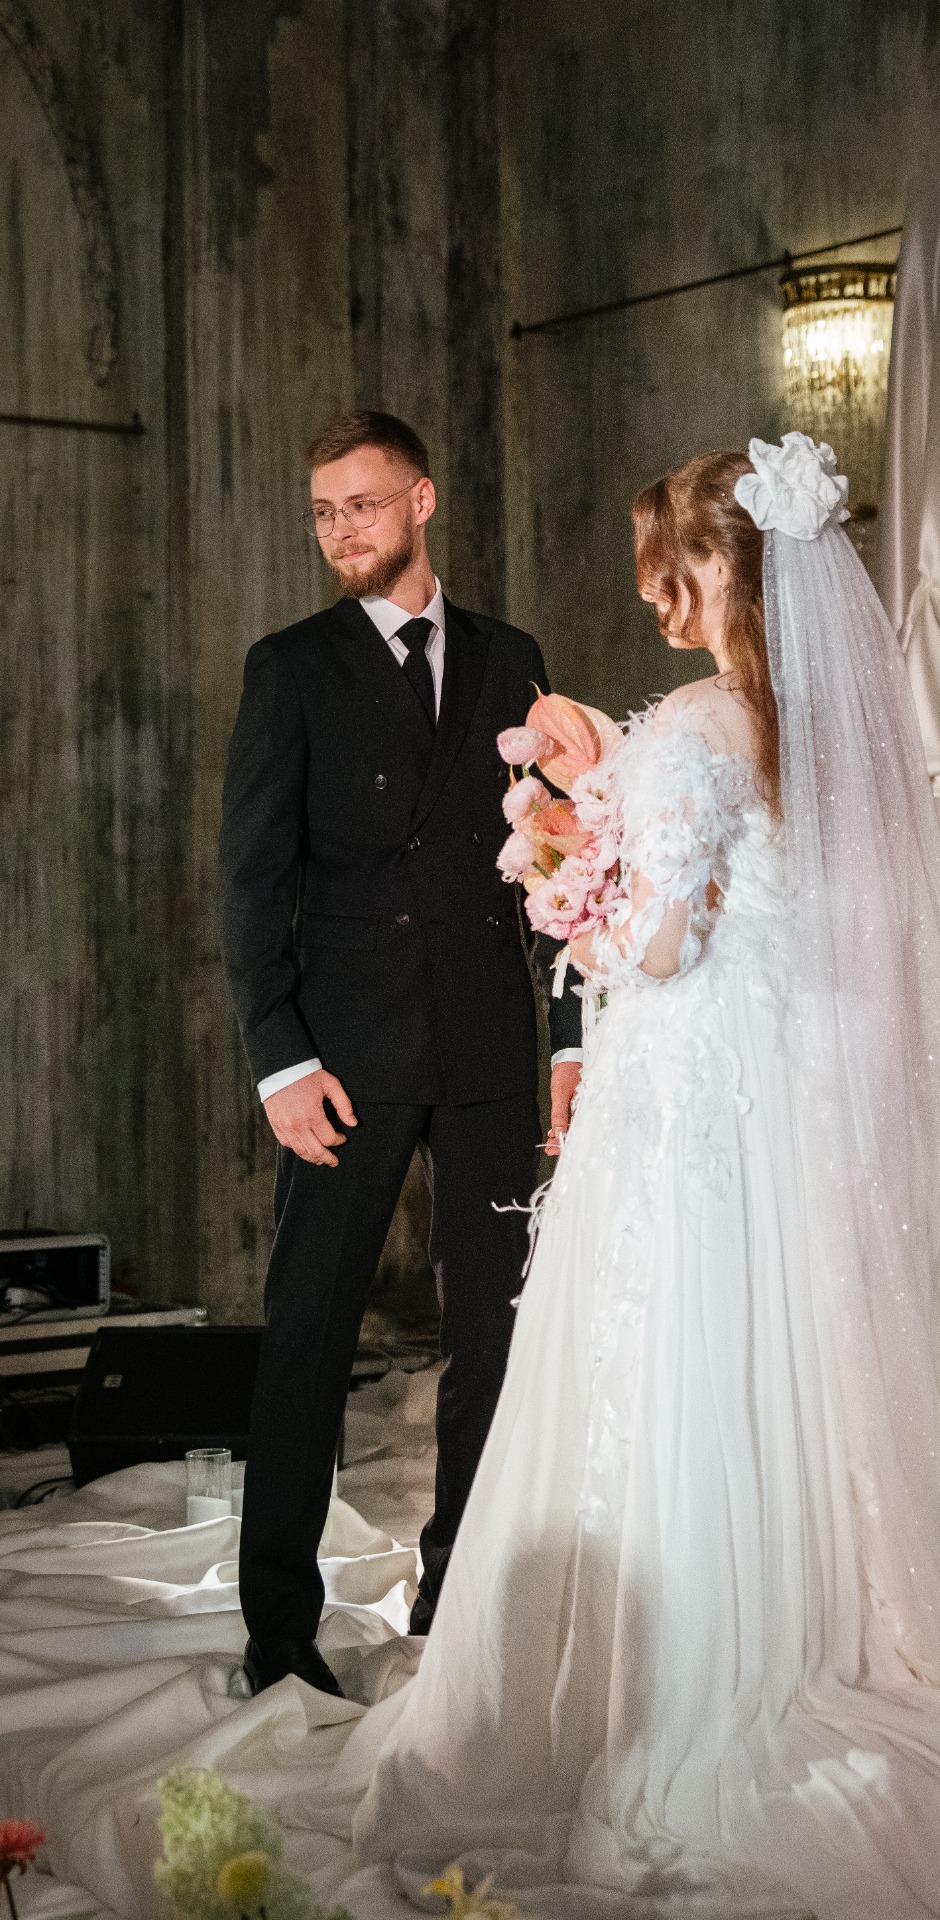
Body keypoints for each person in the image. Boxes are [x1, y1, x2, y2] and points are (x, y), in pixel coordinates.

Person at [341, 434, 940, 1916]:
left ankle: (687, 1671)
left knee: (674, 1348)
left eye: (666, 570)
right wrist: (595, 820)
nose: (653, 599)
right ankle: (839, 1609)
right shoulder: (823, 723)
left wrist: (565, 885)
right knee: (798, 1346)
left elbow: (667, 944)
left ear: (720, 567)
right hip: (788, 1095)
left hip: (686, 1093)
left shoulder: (696, 724)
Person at [219, 410, 582, 1698]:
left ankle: (455, 1598)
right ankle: (278, 1630)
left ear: (422, 501)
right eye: (324, 512)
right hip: (345, 1062)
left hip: (487, 1051)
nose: (340, 531)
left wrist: (571, 1038)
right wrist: (280, 1061)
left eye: (362, 505)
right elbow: (251, 881)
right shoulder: (291, 668)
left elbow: (556, 864)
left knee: (491, 1339)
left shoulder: (510, 657)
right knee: (308, 1339)